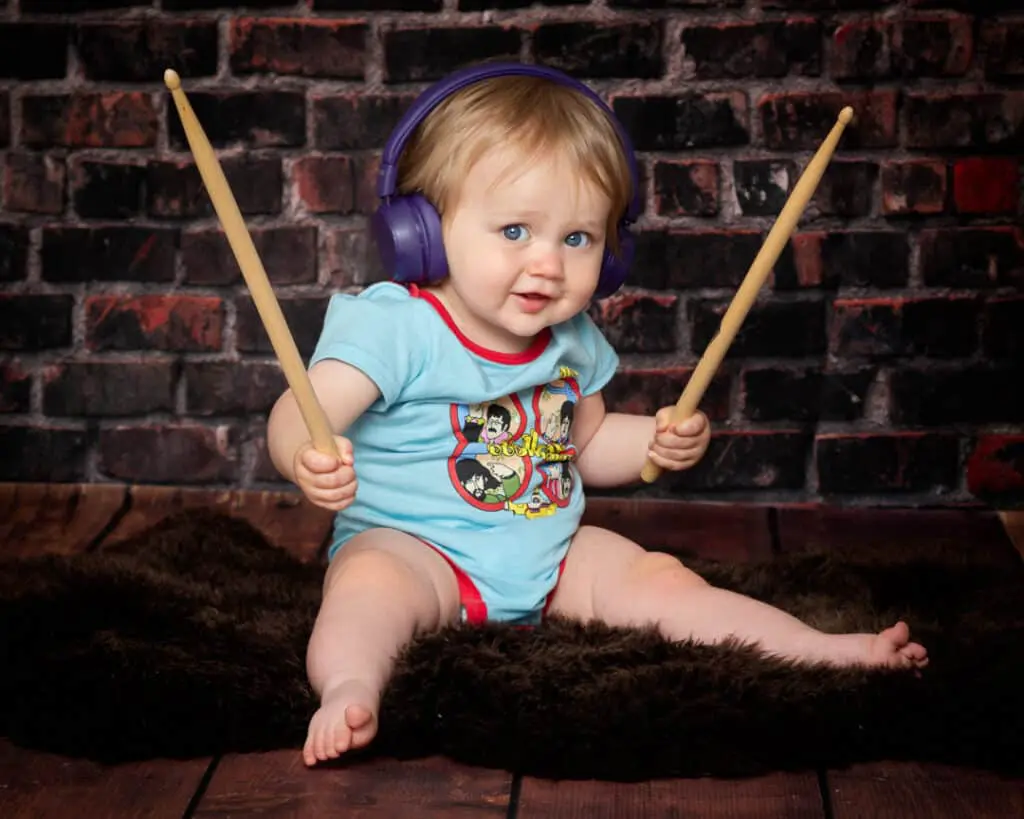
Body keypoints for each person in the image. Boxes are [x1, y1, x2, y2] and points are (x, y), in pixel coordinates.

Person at [266, 62, 928, 768]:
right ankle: (347, 687)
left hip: (548, 555)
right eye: (515, 229)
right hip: (418, 549)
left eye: (577, 239)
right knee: (367, 592)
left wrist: (656, 441)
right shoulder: (395, 328)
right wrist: (306, 453)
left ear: (609, 254)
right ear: (422, 228)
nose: (548, 263)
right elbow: (297, 415)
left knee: (661, 577)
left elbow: (584, 444)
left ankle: (819, 650)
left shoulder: (572, 341)